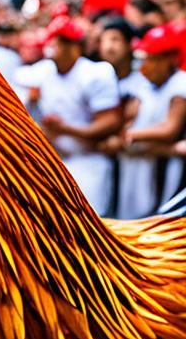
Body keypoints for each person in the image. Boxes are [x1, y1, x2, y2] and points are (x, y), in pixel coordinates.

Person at [26, 16, 122, 215]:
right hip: (53, 163)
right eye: (54, 40)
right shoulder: (43, 71)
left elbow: (111, 121)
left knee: (91, 228)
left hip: (89, 163)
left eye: (62, 42)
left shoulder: (95, 73)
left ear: (75, 47)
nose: (55, 46)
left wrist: (65, 129)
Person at [116, 25, 186, 218]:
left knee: (159, 219)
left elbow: (170, 129)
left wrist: (133, 135)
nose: (146, 65)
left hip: (165, 166)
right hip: (136, 162)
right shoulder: (144, 84)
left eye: (152, 58)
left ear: (170, 59)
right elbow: (130, 117)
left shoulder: (180, 83)